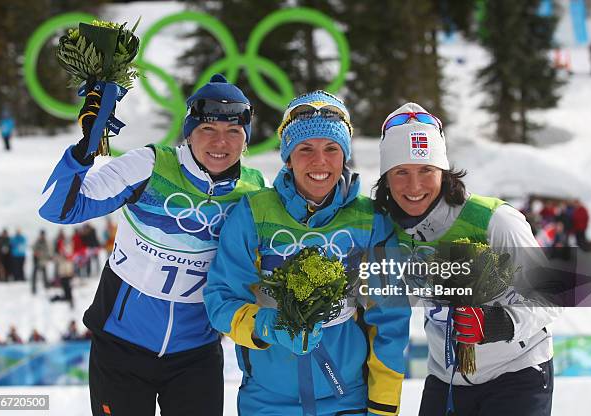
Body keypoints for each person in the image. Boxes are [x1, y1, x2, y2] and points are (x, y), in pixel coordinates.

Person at [39, 74, 265, 416]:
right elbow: (60, 208)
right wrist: (84, 151)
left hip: (196, 355)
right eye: (208, 129)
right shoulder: (150, 165)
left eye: (233, 131)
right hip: (122, 348)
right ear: (189, 133)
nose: (221, 142)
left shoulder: (252, 188)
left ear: (245, 139)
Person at [204, 91, 410, 416]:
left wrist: (383, 405)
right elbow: (220, 299)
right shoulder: (254, 214)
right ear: (287, 157)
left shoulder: (370, 220)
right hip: (267, 401)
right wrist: (266, 325)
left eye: (331, 148)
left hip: (348, 399)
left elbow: (390, 320)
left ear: (344, 156)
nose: (320, 161)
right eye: (305, 149)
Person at [373, 102, 561, 416]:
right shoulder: (385, 227)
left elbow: (553, 292)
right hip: (446, 376)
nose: (414, 185)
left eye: (426, 170)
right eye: (401, 172)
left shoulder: (494, 220)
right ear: (386, 178)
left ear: (443, 172)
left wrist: (495, 323)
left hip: (516, 373)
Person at [32, 229, 51, 294]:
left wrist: (47, 257)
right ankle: (33, 288)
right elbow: (33, 249)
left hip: (43, 260)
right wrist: (36, 253)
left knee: (45, 274)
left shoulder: (46, 242)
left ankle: (46, 286)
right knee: (35, 274)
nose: (42, 236)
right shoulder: (37, 241)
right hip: (37, 260)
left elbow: (48, 251)